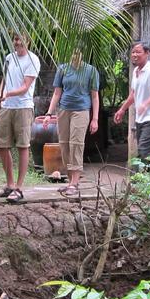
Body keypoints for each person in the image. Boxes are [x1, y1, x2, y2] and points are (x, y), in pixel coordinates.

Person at [39, 48, 99, 199]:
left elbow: (95, 96)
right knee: (64, 144)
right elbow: (57, 93)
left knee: (76, 143)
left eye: (78, 52)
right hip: (64, 110)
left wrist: (95, 119)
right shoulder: (62, 69)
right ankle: (70, 180)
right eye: (73, 52)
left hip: (81, 110)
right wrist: (49, 114)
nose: (75, 55)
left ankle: (75, 183)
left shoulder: (91, 71)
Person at [0, 32, 40, 204]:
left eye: (21, 40)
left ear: (28, 42)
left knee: (22, 146)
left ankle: (19, 188)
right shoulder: (9, 58)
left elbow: (26, 87)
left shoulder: (32, 60)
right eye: (15, 40)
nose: (18, 43)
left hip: (23, 107)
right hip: (6, 106)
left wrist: (7, 95)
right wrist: (0, 99)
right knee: (1, 145)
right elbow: (4, 80)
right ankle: (10, 184)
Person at [113, 41, 150, 171]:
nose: (135, 55)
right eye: (133, 52)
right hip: (141, 117)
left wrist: (146, 104)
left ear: (147, 53)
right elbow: (133, 94)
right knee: (148, 151)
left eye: (138, 52)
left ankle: (137, 179)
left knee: (143, 150)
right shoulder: (136, 71)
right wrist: (122, 110)